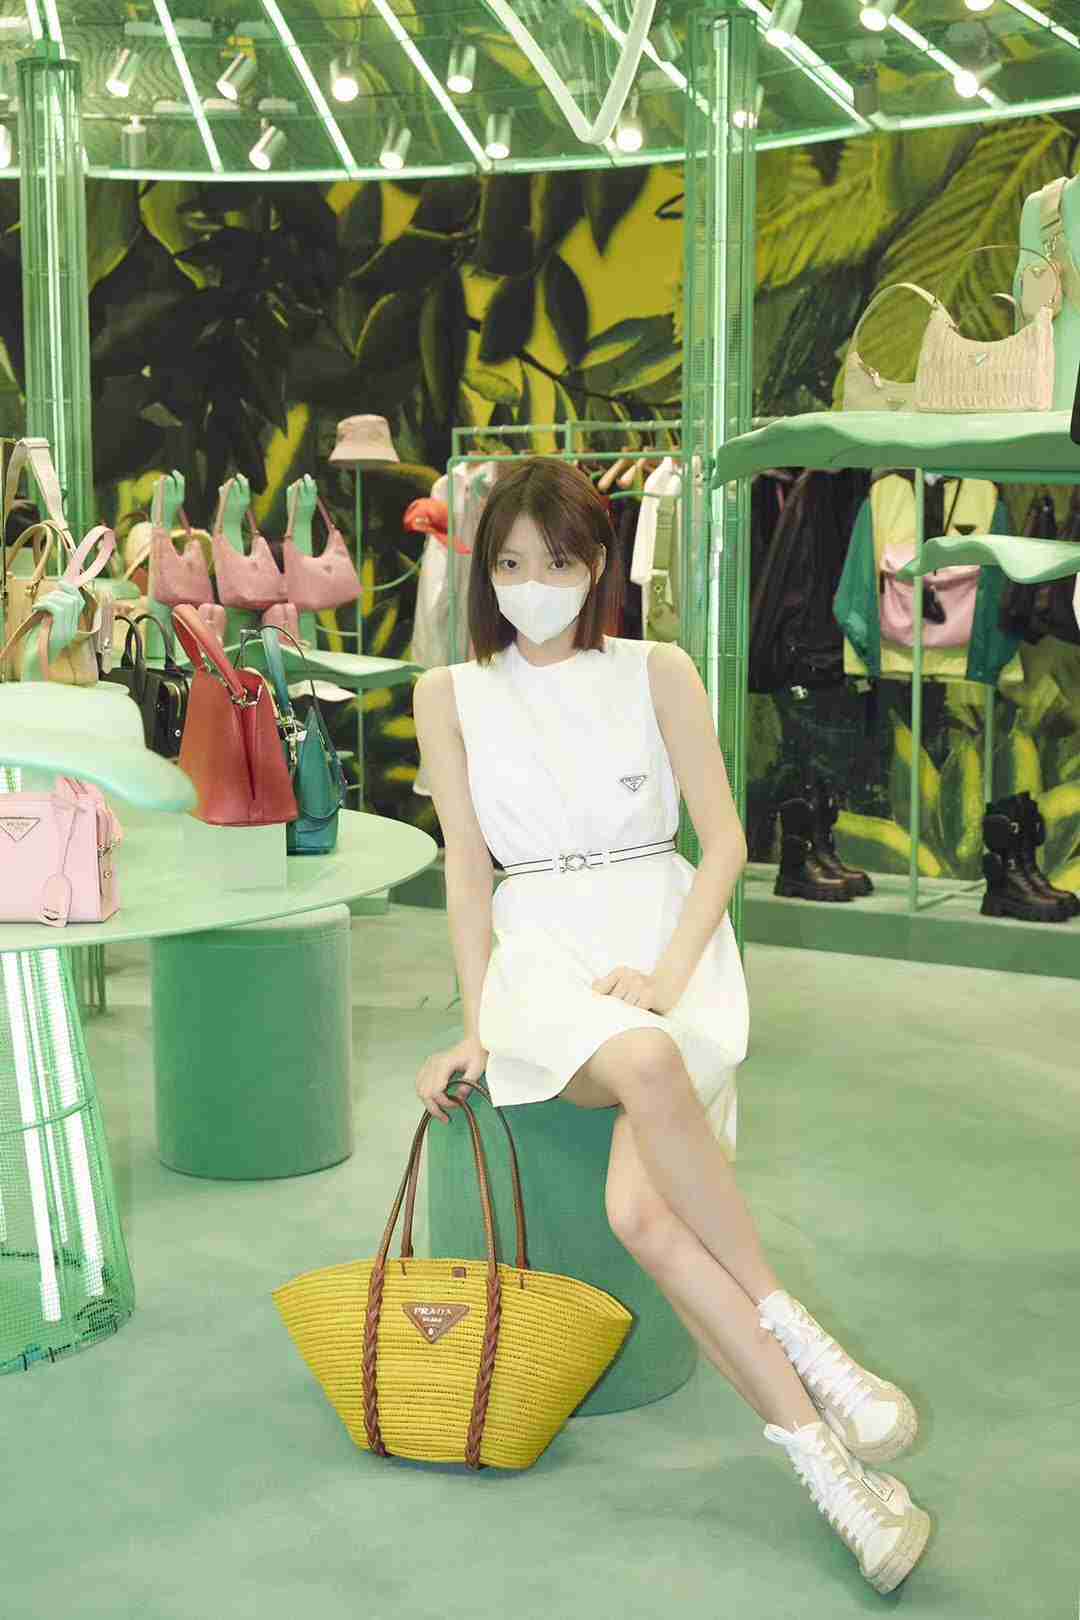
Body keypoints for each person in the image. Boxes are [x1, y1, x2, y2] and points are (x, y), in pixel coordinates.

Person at [411, 458, 931, 1597]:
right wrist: (475, 1026)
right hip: (542, 953)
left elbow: (726, 842)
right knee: (642, 1060)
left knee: (642, 1215)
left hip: (666, 932)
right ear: (483, 570)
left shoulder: (658, 669)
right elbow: (465, 870)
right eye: (509, 563)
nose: (531, 585)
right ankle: (798, 1328)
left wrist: (669, 972)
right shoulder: (450, 694)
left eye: (556, 562)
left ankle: (835, 1476)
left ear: (599, 565)